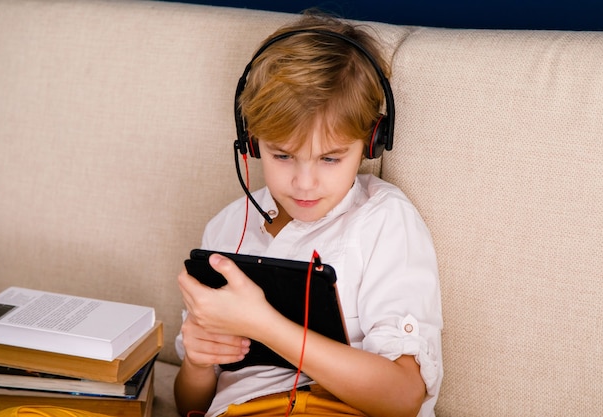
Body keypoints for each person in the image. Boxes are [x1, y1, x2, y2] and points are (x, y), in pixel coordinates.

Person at [174, 11, 443, 417]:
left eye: (330, 158)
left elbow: (403, 397)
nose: (305, 183)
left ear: (370, 144)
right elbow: (187, 404)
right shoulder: (228, 227)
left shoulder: (383, 221)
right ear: (251, 141)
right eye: (282, 155)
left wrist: (265, 325)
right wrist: (197, 361)